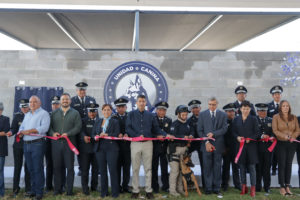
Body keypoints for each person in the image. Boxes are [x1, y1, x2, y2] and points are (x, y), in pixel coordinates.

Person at [126, 94, 168, 199]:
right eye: (139, 101)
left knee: (148, 168)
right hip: (135, 143)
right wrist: (136, 136)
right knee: (135, 168)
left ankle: (148, 190)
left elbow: (156, 128)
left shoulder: (151, 115)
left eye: (143, 101)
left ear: (145, 103)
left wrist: (165, 135)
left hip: (148, 144)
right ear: (136, 103)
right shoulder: (131, 114)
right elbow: (128, 128)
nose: (141, 103)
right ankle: (135, 190)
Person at [49, 93, 82, 196]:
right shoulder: (54, 114)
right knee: (57, 167)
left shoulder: (75, 113)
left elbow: (78, 127)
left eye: (67, 99)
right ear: (60, 101)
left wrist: (68, 134)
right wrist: (53, 133)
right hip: (56, 145)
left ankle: (69, 191)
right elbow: (49, 128)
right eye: (63, 99)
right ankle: (57, 189)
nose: (65, 101)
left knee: (70, 168)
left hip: (69, 144)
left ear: (70, 101)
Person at [19, 96, 50, 200]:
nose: (32, 104)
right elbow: (22, 127)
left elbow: (44, 128)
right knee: (30, 168)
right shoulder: (27, 114)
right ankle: (33, 190)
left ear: (39, 103)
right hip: (26, 143)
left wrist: (29, 131)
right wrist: (20, 132)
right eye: (30, 102)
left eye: (34, 102)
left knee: (37, 168)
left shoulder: (44, 113)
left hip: (37, 144)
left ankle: (39, 192)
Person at [198, 97, 227, 196]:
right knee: (207, 167)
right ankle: (208, 188)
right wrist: (206, 142)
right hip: (206, 145)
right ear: (208, 104)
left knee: (217, 167)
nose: (211, 106)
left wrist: (213, 134)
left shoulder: (223, 115)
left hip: (218, 145)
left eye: (213, 104)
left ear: (217, 104)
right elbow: (200, 130)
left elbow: (224, 129)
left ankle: (216, 188)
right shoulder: (202, 115)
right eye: (210, 104)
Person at [272, 100, 300, 196]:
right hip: (281, 144)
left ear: (289, 107)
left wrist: (293, 137)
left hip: (292, 144)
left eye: (287, 106)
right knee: (282, 164)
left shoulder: (294, 117)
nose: (285, 107)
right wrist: (285, 136)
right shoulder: (276, 117)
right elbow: (275, 130)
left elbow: (297, 130)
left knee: (289, 165)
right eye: (283, 106)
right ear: (280, 107)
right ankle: (282, 187)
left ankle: (287, 185)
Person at [232, 100, 259, 197]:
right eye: (243, 109)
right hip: (240, 147)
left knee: (252, 168)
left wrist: (250, 139)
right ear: (240, 109)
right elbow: (233, 132)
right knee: (242, 167)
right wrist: (237, 137)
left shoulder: (254, 119)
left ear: (250, 109)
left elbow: (257, 133)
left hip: (251, 147)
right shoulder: (236, 119)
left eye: (247, 109)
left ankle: (253, 188)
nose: (245, 110)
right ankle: (243, 186)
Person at [93, 104, 120, 198]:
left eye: (108, 110)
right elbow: (93, 133)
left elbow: (117, 133)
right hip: (100, 148)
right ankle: (104, 192)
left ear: (111, 111)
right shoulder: (98, 121)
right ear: (102, 111)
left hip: (112, 149)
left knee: (112, 170)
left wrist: (107, 134)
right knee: (102, 171)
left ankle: (115, 192)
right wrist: (96, 137)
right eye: (104, 110)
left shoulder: (115, 122)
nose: (106, 111)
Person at [71, 82, 97, 176]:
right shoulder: (72, 101)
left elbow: (95, 113)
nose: (82, 91)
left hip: (90, 127)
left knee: (93, 146)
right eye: (80, 90)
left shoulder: (91, 99)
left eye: (83, 89)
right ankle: (81, 168)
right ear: (77, 90)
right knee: (80, 148)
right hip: (78, 128)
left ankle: (95, 168)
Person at [8, 99, 31, 197]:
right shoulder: (17, 116)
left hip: (29, 144)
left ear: (29, 106)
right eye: (22, 107)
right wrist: (11, 132)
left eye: (25, 107)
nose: (23, 109)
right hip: (18, 145)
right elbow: (13, 128)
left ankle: (28, 189)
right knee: (17, 167)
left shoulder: (33, 115)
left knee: (28, 168)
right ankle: (15, 189)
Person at [168, 105, 190, 197]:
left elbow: (190, 132)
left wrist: (190, 137)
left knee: (181, 171)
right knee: (175, 171)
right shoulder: (174, 124)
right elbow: (173, 136)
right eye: (183, 114)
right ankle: (172, 190)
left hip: (183, 150)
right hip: (175, 150)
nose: (185, 116)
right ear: (178, 114)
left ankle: (180, 188)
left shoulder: (187, 124)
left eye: (186, 114)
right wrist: (182, 137)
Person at [152, 101, 172, 193]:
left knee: (164, 168)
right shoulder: (152, 119)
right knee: (154, 168)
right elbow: (150, 131)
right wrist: (156, 136)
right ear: (156, 110)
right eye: (160, 110)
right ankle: (154, 187)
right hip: (154, 147)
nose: (162, 112)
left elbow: (170, 132)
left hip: (164, 147)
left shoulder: (168, 120)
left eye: (164, 110)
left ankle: (165, 186)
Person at [113, 98, 131, 193]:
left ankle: (125, 186)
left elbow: (132, 128)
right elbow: (111, 130)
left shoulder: (130, 116)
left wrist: (128, 134)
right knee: (117, 168)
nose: (121, 108)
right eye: (119, 107)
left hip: (127, 147)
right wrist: (117, 134)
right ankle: (117, 187)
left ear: (126, 107)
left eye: (122, 106)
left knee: (127, 168)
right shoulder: (113, 117)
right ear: (116, 108)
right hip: (117, 147)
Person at [80, 103, 99, 195]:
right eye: (90, 111)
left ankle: (94, 186)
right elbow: (81, 131)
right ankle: (85, 188)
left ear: (96, 111)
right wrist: (84, 137)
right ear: (87, 112)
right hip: (85, 149)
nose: (92, 113)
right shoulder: (83, 121)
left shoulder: (100, 121)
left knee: (95, 169)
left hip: (96, 149)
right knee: (85, 169)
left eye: (94, 111)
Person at [221, 103, 241, 191]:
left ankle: (237, 184)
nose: (231, 113)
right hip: (226, 149)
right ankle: (225, 184)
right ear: (225, 112)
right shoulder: (223, 122)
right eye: (229, 111)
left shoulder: (238, 121)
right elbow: (221, 136)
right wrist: (223, 147)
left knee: (236, 167)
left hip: (236, 148)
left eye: (233, 111)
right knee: (226, 167)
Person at [255, 103, 274, 194]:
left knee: (267, 168)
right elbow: (253, 132)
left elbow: (274, 131)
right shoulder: (254, 120)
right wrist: (262, 135)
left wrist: (272, 137)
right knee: (258, 168)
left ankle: (267, 187)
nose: (263, 112)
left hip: (268, 149)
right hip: (257, 148)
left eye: (265, 110)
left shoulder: (271, 120)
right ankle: (258, 187)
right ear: (257, 111)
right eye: (261, 110)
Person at [187, 100, 205, 188]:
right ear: (191, 110)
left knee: (204, 164)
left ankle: (206, 185)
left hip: (203, 144)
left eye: (197, 107)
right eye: (193, 108)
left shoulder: (205, 117)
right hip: (192, 143)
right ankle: (188, 180)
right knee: (185, 161)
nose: (195, 109)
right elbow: (190, 131)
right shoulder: (189, 120)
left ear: (200, 108)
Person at [44, 96, 61, 192]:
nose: (55, 105)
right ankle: (48, 186)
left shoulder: (64, 114)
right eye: (53, 104)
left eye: (57, 103)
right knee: (49, 165)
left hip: (60, 144)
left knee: (60, 166)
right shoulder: (47, 115)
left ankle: (60, 185)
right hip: (49, 144)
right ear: (51, 105)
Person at [268, 85, 283, 176]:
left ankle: (277, 168)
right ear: (272, 96)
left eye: (279, 94)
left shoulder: (284, 105)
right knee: (272, 151)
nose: (277, 96)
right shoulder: (269, 106)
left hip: (282, 133)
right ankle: (272, 168)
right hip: (272, 132)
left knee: (280, 152)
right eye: (275, 94)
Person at [0, 103, 10, 198]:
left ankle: (1, 192)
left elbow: (5, 132)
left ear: (1, 110)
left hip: (1, 149)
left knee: (0, 171)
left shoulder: (5, 119)